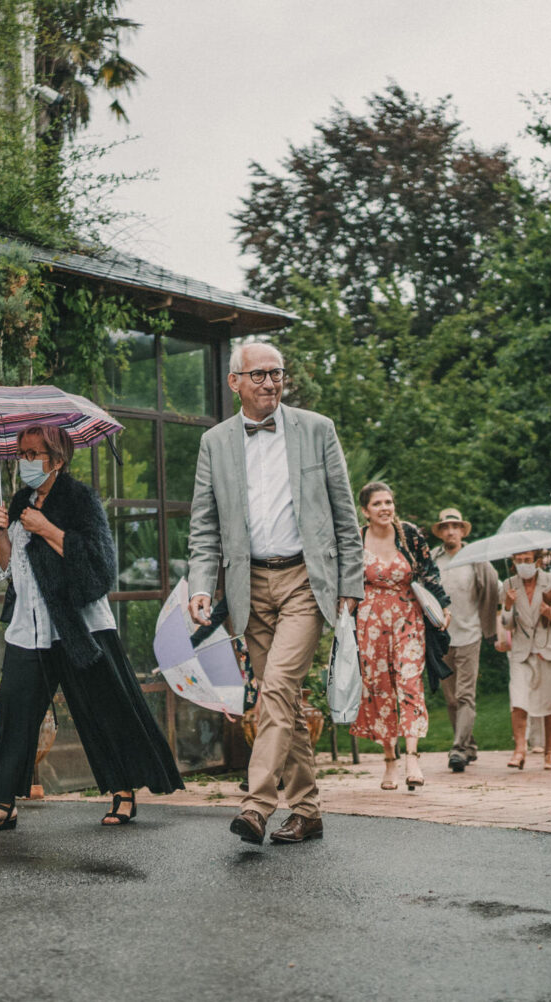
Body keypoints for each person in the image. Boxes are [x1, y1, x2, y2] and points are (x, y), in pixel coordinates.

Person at [187, 342, 364, 846]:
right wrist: (202, 586)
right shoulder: (214, 442)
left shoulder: (317, 429)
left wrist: (350, 586)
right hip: (250, 586)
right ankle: (307, 811)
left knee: (277, 690)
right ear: (234, 382)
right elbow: (204, 526)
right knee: (284, 700)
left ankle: (258, 803)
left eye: (277, 373)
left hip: (307, 582)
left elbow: (344, 514)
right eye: (259, 374)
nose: (269, 382)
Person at [0, 424, 183, 834]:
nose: (25, 462)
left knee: (102, 708)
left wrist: (46, 528)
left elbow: (100, 568)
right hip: (27, 629)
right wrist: (0, 532)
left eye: (33, 454)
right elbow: (10, 572)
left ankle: (123, 791)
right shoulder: (18, 503)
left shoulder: (82, 500)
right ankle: (3, 802)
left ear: (57, 460)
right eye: (21, 454)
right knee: (16, 714)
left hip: (79, 627)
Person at [350, 483, 451, 792]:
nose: (385, 508)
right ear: (365, 511)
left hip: (408, 618)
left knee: (409, 683)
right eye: (378, 504)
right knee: (379, 690)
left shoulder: (408, 534)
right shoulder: (356, 538)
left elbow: (429, 571)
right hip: (370, 622)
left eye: (389, 502)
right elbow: (345, 577)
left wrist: (443, 605)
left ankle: (412, 758)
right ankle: (390, 761)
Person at [494, 548, 551, 770]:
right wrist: (507, 605)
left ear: (537, 562)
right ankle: (519, 750)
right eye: (518, 560)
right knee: (518, 700)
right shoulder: (508, 585)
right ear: (513, 563)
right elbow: (506, 624)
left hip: (550, 648)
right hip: (521, 652)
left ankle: (550, 751)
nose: (523, 564)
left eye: (527, 560)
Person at [429, 508, 500, 773]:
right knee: (451, 700)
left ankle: (457, 749)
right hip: (442, 637)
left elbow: (494, 587)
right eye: (446, 527)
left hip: (470, 635)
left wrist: (506, 601)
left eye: (455, 526)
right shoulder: (433, 558)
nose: (450, 531)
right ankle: (469, 746)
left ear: (462, 531)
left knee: (465, 696)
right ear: (441, 531)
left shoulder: (476, 559)